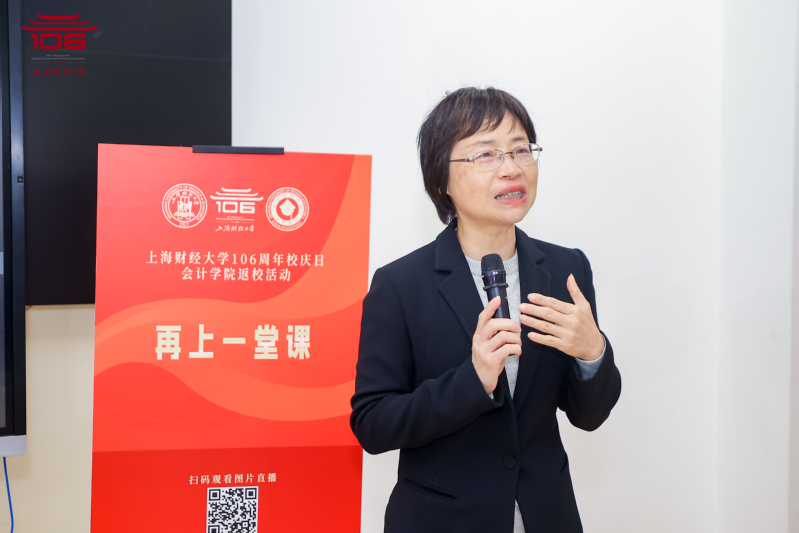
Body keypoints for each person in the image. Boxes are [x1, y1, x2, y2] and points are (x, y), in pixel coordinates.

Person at [350, 87, 622, 533]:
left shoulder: (566, 269)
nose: (511, 168)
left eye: (521, 150)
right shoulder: (400, 284)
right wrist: (472, 380)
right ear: (441, 179)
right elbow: (373, 425)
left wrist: (592, 353)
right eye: (486, 154)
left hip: (546, 517)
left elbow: (588, 416)